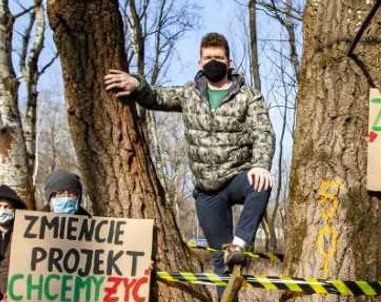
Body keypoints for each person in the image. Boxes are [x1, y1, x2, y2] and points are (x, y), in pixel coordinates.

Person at [103, 32, 275, 277]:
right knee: (220, 263)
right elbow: (156, 97)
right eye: (208, 57)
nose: (213, 61)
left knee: (262, 183)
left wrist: (260, 164)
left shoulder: (248, 96)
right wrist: (137, 84)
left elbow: (263, 132)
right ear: (200, 62)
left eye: (218, 57)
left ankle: (239, 244)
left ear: (229, 62)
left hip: (236, 175)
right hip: (207, 190)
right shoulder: (188, 94)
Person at [0, 170, 93, 302]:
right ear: (50, 198)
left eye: (71, 194)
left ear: (79, 198)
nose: (65, 199)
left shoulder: (95, 230)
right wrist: (10, 290)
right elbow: (6, 268)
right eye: (59, 194)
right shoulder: (29, 228)